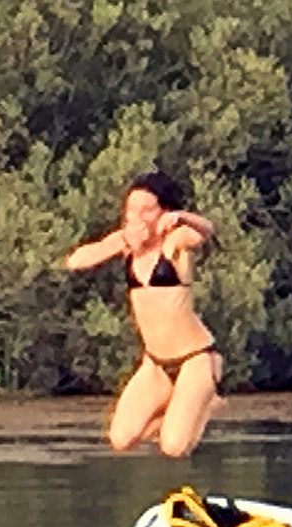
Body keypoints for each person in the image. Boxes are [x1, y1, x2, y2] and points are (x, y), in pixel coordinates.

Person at [65, 172, 224, 457]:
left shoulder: (176, 241)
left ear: (163, 212)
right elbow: (76, 261)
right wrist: (124, 239)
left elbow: (207, 230)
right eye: (131, 210)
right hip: (155, 364)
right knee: (121, 440)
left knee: (174, 448)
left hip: (195, 359)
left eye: (147, 210)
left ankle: (205, 401)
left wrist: (183, 218)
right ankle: (182, 409)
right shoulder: (125, 243)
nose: (137, 216)